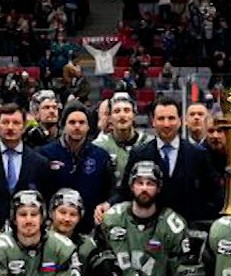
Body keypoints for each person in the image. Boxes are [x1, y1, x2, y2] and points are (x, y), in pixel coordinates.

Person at [117, 97, 219, 229]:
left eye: (171, 118)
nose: (166, 124)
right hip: (149, 231)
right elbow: (125, 191)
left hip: (190, 231)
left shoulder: (197, 154)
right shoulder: (139, 154)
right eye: (161, 119)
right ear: (152, 121)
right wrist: (108, 204)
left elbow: (214, 192)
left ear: (180, 120)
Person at [38, 106, 114, 223]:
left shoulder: (101, 156)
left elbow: (109, 192)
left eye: (81, 122)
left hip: (89, 226)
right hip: (53, 226)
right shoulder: (45, 154)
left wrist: (105, 205)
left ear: (88, 127)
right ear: (64, 125)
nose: (77, 126)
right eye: (72, 122)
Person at [92, 92, 150, 177]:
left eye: (127, 110)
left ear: (134, 115)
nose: (122, 115)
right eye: (117, 111)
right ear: (110, 117)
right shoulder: (99, 147)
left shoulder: (148, 144)